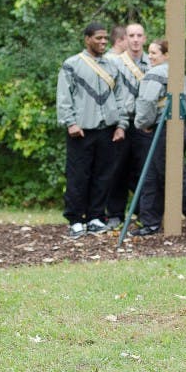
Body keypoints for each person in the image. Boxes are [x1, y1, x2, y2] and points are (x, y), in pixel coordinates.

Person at [130, 38, 186, 237]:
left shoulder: (154, 74)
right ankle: (150, 222)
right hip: (179, 127)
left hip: (162, 129)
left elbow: (147, 101)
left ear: (166, 55)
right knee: (152, 174)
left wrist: (143, 123)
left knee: (172, 176)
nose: (150, 56)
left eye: (154, 53)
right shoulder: (180, 76)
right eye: (149, 52)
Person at [56, 22, 128, 238]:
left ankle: (96, 217)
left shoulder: (112, 66)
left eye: (105, 38)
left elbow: (121, 97)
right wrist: (70, 122)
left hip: (107, 129)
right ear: (87, 39)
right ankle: (76, 219)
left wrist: (121, 125)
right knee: (78, 176)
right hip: (81, 131)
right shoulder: (72, 65)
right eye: (98, 38)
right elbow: (63, 95)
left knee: (103, 175)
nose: (103, 42)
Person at [105, 22, 152, 229]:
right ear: (125, 38)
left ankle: (145, 212)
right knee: (118, 168)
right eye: (131, 35)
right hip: (122, 122)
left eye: (139, 35)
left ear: (144, 38)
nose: (135, 39)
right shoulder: (115, 63)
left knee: (145, 169)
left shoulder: (152, 63)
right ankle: (115, 214)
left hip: (144, 123)